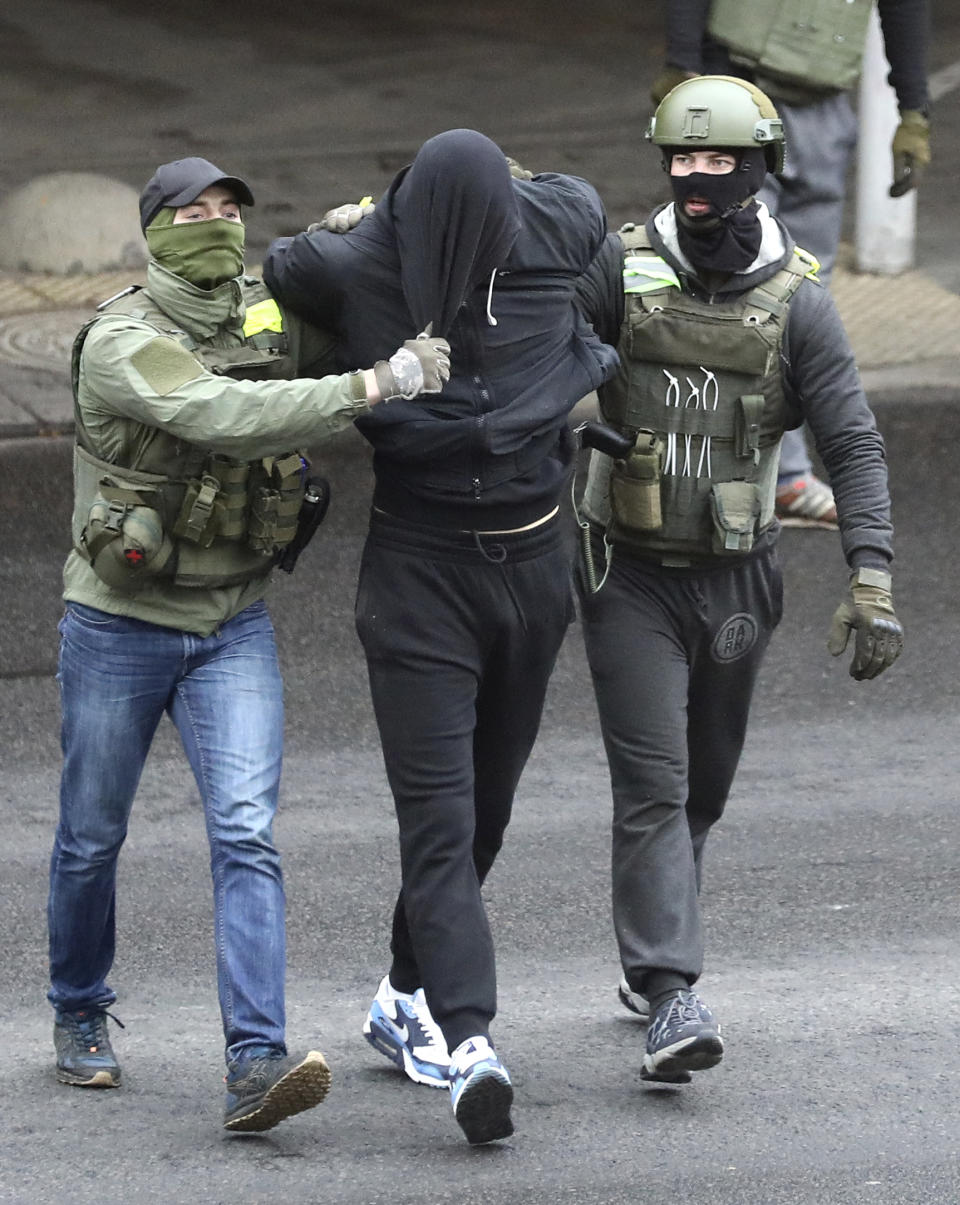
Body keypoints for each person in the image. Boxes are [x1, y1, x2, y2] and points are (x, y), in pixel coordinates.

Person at [48, 156, 450, 1132]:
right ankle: (79, 1008)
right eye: (196, 211)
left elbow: (317, 306)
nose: (219, 223)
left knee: (245, 832)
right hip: (119, 623)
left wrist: (373, 233)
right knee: (92, 836)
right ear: (155, 230)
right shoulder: (124, 339)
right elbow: (221, 416)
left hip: (232, 622)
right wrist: (375, 383)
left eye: (232, 208)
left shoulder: (256, 312)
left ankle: (254, 1062)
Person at [263, 128, 619, 1144]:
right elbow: (286, 264)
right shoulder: (368, 261)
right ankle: (471, 1046)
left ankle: (400, 995)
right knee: (441, 820)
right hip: (419, 578)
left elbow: (574, 200)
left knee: (487, 815)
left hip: (535, 569)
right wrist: (358, 225)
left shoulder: (549, 224)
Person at [573, 77, 903, 1083]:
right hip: (626, 574)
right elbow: (541, 364)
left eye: (720, 162)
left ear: (758, 169)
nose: (699, 178)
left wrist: (873, 574)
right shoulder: (615, 270)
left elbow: (851, 442)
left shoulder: (799, 296)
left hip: (739, 581)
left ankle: (649, 948)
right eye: (683, 161)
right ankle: (672, 987)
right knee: (655, 784)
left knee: (702, 784)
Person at [651, 0, 931, 529]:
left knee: (800, 294)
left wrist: (915, 109)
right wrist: (684, 62)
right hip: (735, 91)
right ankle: (700, 458)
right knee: (728, 278)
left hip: (823, 104)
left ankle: (781, 476)